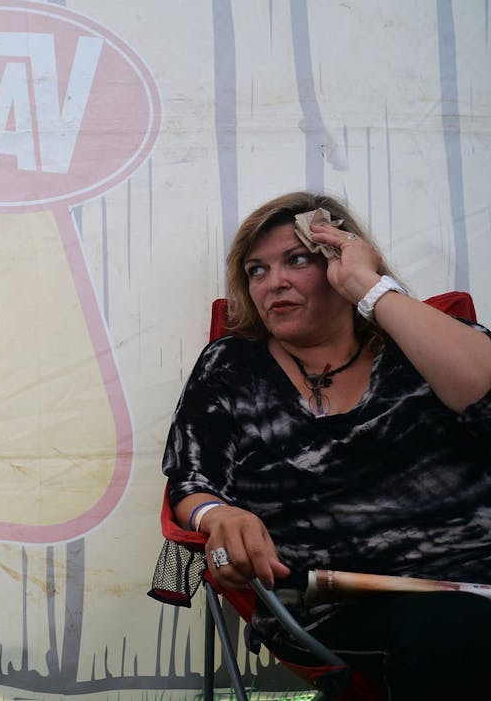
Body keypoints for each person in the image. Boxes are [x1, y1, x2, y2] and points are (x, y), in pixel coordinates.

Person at [162, 191, 491, 697]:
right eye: (256, 270)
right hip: (328, 602)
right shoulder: (231, 366)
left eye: (297, 259)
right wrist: (219, 516)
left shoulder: (425, 342)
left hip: (474, 579)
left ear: (342, 260)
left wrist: (371, 288)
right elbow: (192, 479)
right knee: (451, 629)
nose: (274, 282)